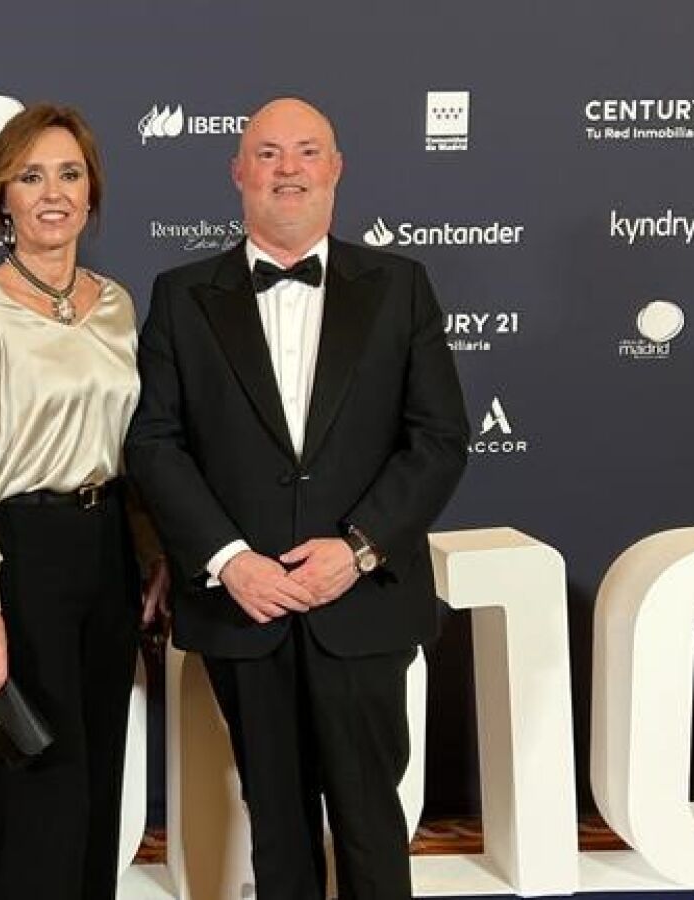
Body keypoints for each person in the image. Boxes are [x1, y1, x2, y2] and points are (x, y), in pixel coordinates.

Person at [125, 97, 469, 900]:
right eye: (269, 153)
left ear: (336, 168)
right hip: (246, 609)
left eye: (308, 151)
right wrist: (228, 560)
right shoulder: (180, 295)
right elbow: (154, 444)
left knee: (373, 826)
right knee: (275, 829)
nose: (289, 170)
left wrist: (358, 549)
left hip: (363, 604)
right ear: (238, 172)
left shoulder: (400, 286)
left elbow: (439, 438)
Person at [0, 103, 167, 900]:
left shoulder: (117, 304)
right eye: (31, 176)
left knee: (99, 773)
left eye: (70, 174)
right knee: (44, 780)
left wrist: (151, 552)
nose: (53, 192)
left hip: (109, 553)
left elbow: (132, 446)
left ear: (92, 191)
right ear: (1, 196)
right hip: (25, 556)